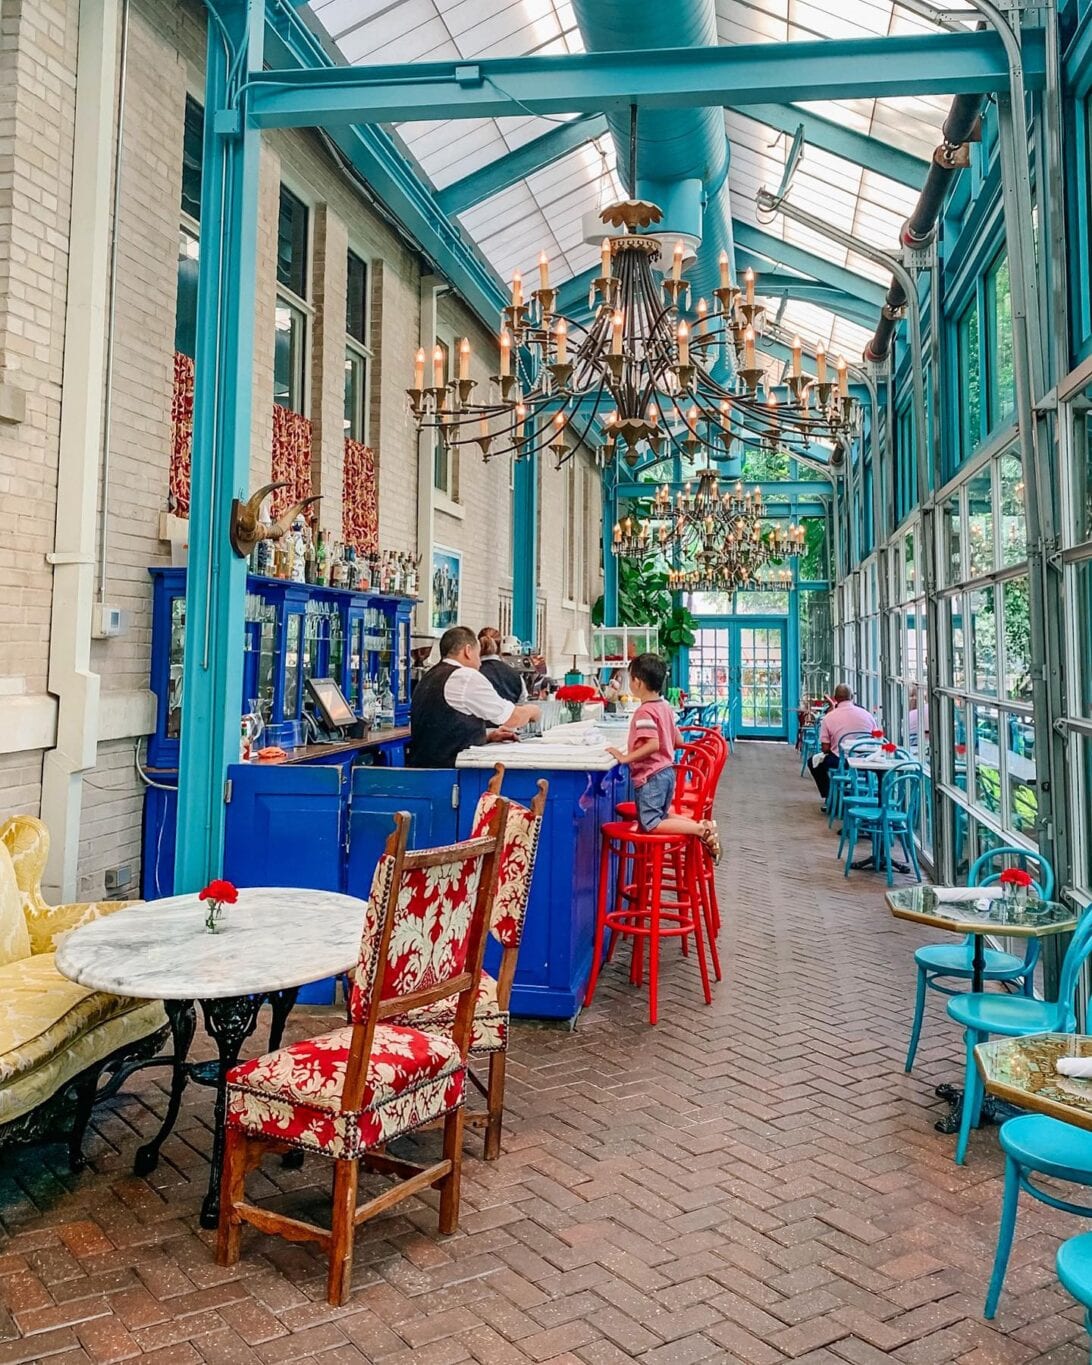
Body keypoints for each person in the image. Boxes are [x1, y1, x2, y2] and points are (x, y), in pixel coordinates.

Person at [606, 653, 721, 862]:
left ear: (637, 682)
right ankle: (703, 826)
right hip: (667, 773)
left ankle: (698, 829)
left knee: (650, 824)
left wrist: (625, 757)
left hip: (651, 777)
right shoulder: (665, 706)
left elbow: (653, 744)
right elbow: (677, 740)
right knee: (661, 817)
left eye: (630, 678)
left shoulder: (644, 712)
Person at [408, 625, 540, 768]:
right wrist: (533, 711)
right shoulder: (464, 676)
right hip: (450, 774)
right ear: (468, 651)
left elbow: (441, 730)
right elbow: (512, 718)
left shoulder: (429, 676)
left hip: (422, 770)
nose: (480, 662)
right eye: (478, 655)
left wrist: (487, 736)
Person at [808, 683, 878, 803]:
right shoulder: (867, 715)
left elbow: (825, 747)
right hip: (865, 760)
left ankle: (830, 796)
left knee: (813, 763)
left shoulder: (829, 718)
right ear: (852, 697)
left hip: (841, 761)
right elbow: (877, 738)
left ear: (835, 698)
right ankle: (869, 793)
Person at [478, 628, 524, 705]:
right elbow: (522, 701)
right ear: (501, 646)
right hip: (510, 715)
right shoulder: (515, 675)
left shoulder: (473, 673)